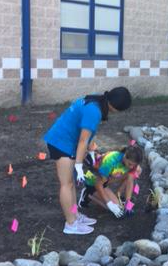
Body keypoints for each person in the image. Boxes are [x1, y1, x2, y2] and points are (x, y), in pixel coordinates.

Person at [43, 86, 132, 235]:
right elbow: (83, 140)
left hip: (69, 142)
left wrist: (90, 151)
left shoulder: (97, 100)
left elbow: (85, 132)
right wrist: (79, 164)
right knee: (66, 184)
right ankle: (70, 224)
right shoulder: (94, 111)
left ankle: (75, 215)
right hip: (61, 142)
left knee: (70, 183)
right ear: (115, 106)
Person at [78, 145, 143, 218]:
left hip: (104, 180)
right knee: (111, 207)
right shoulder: (110, 160)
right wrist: (109, 203)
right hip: (91, 177)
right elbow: (98, 183)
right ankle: (88, 194)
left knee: (118, 206)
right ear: (125, 156)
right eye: (130, 164)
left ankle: (117, 195)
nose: (131, 167)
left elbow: (130, 180)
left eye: (133, 165)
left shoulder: (132, 164)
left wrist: (128, 201)